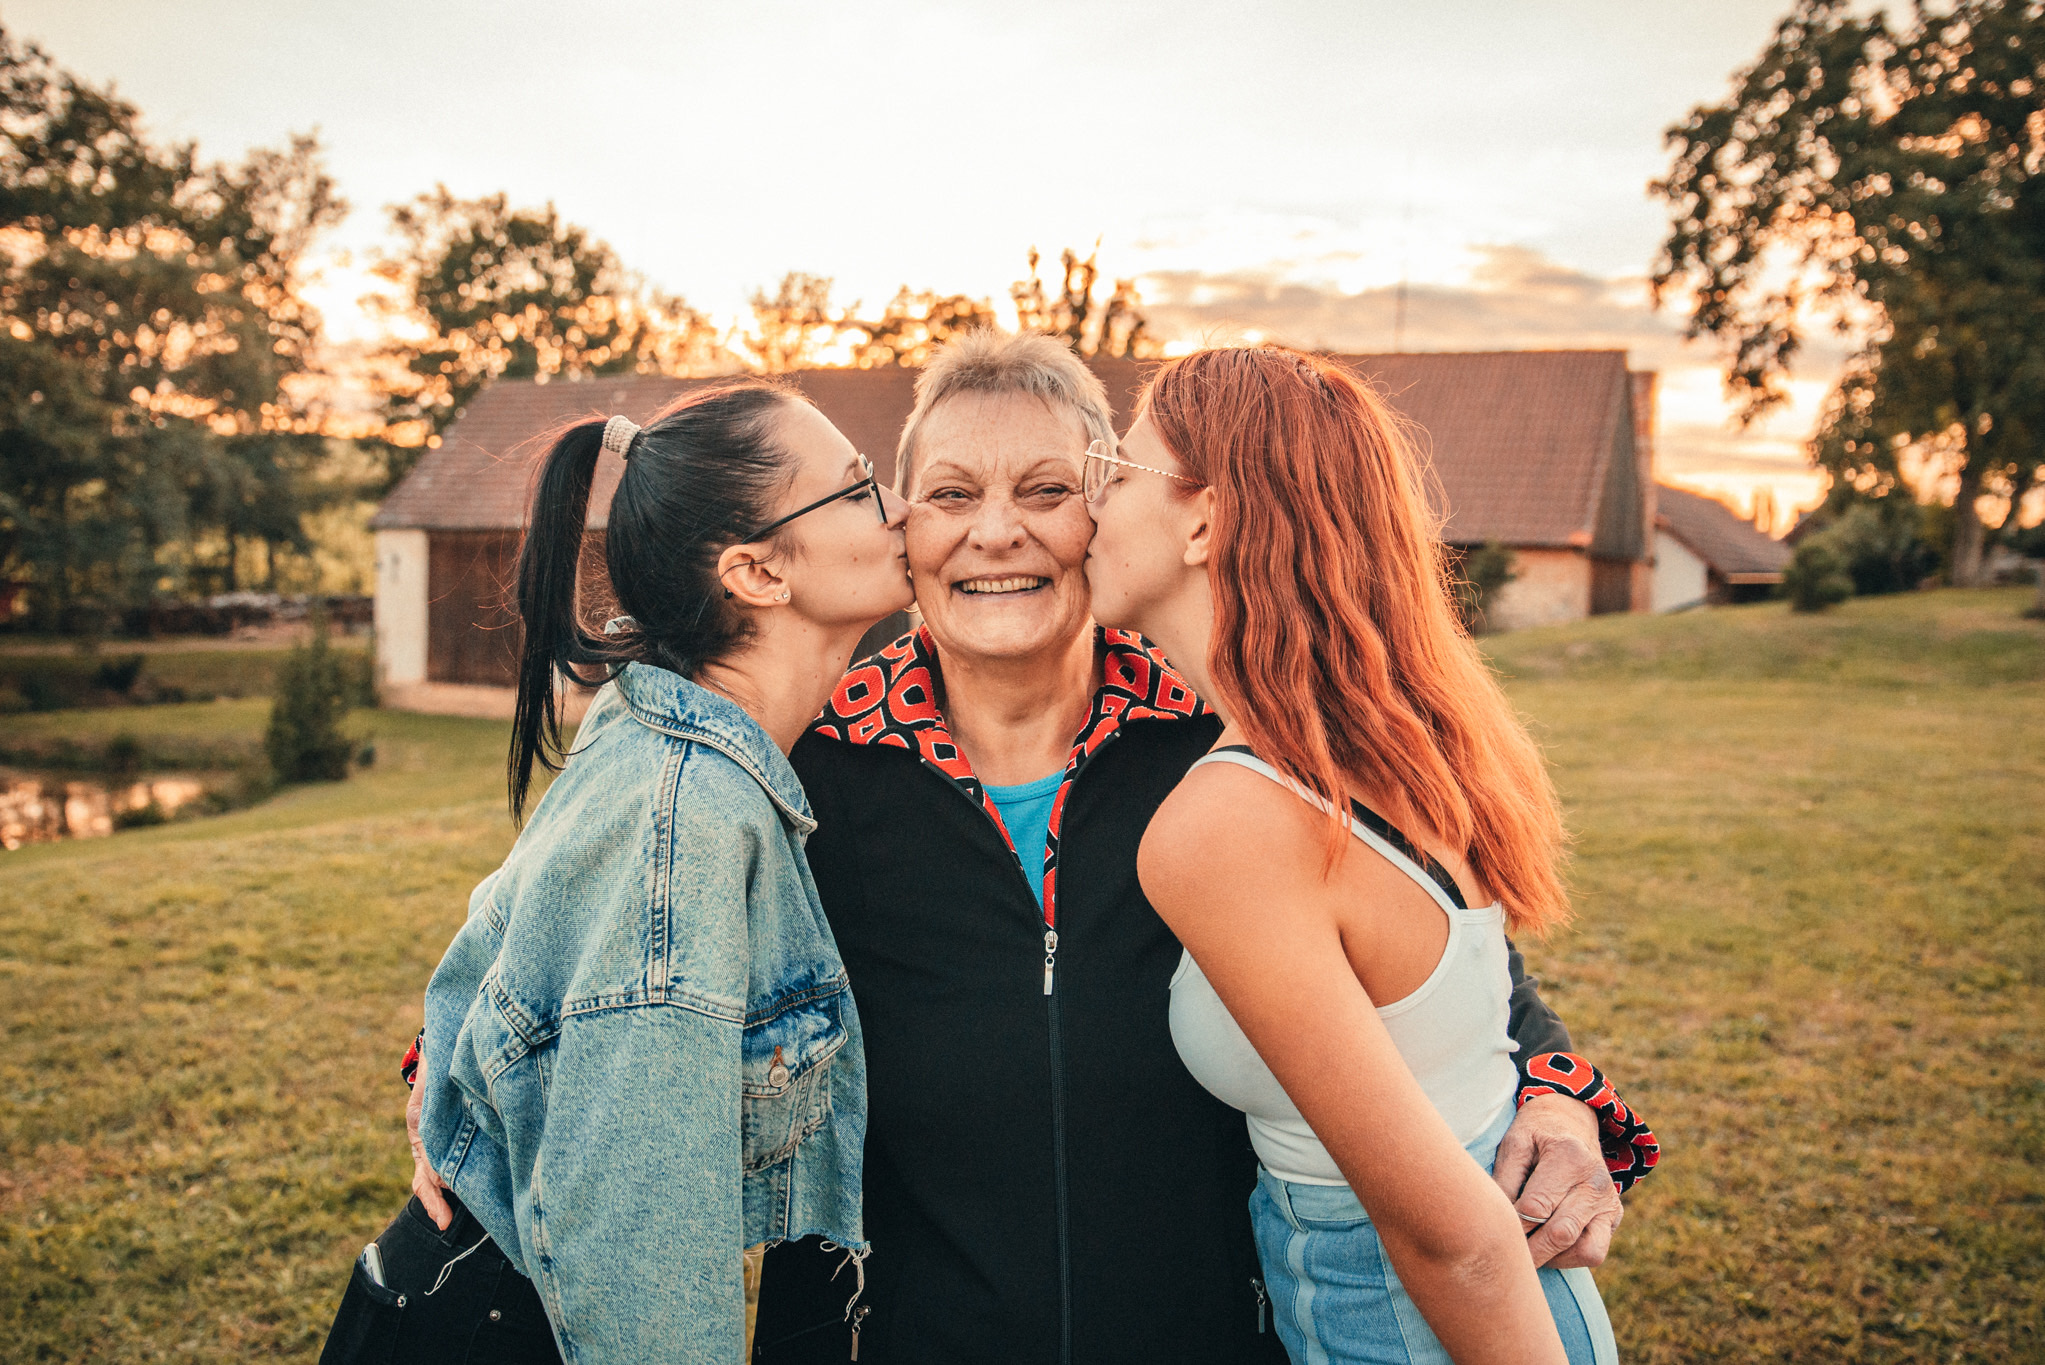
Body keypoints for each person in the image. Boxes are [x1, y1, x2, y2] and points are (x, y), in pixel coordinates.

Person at [751, 332, 1654, 1364]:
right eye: (951, 496)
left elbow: (1438, 951)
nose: (993, 534)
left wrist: (1556, 1092)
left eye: (1046, 489)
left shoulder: (1228, 755)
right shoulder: (805, 779)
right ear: (902, 526)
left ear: (1102, 509)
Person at [324, 379, 913, 1365]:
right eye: (857, 490)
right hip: (504, 1331)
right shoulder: (687, 814)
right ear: (758, 572)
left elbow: (509, 920)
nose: (895, 507)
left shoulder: (661, 724)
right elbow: (639, 1247)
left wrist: (444, 1055)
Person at [1083, 345, 1653, 1363]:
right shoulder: (1379, 745)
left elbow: (1449, 1237)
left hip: (1421, 1321)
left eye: (1116, 471)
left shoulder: (1224, 822)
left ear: (1203, 520)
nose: (1089, 504)